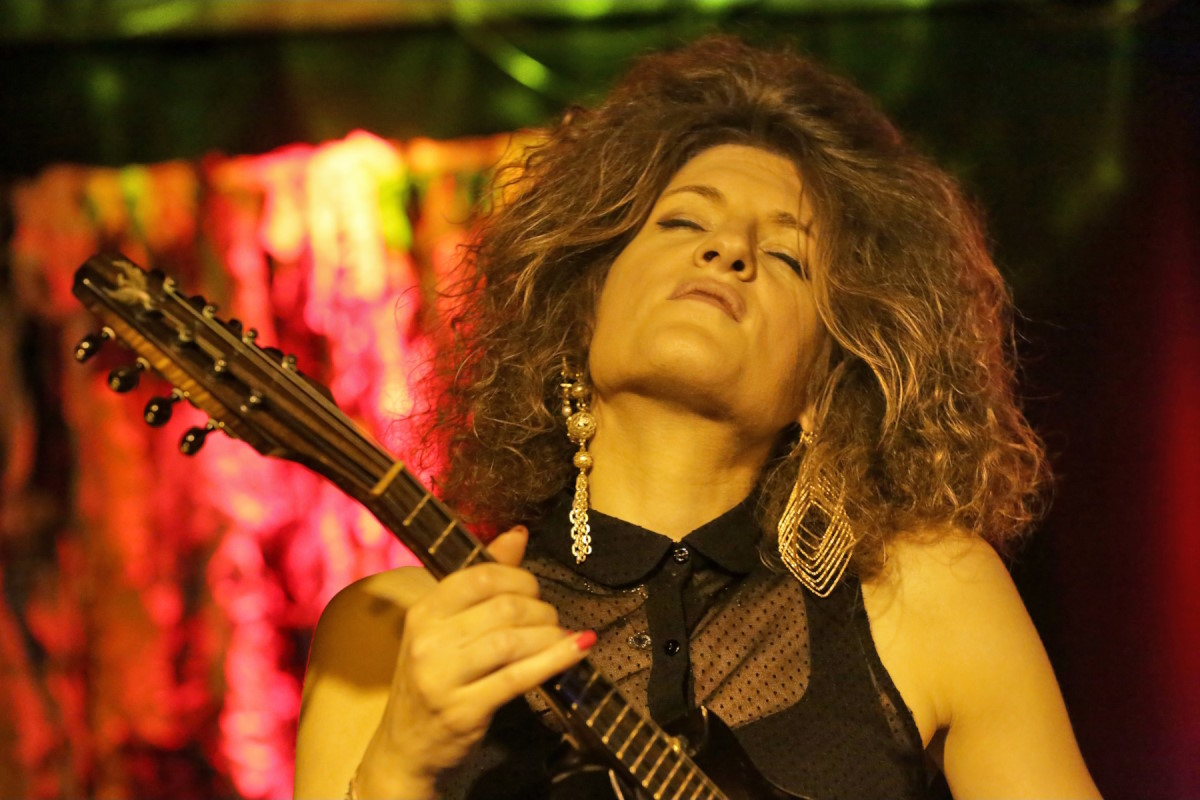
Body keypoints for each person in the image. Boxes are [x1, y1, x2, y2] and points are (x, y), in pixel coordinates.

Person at [294, 36, 1101, 799]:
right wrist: (398, 763)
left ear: (828, 378)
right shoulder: (388, 633)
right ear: (579, 308)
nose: (729, 252)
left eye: (786, 256)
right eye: (683, 222)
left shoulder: (927, 595)